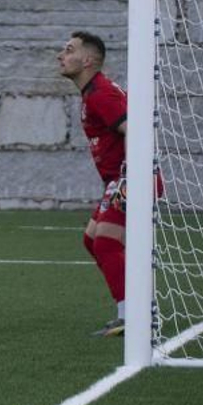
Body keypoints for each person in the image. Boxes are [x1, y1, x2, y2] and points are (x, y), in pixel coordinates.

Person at [57, 31, 132, 338]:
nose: (60, 55)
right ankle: (137, 304)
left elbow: (136, 130)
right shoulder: (92, 92)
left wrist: (130, 179)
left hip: (132, 179)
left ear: (87, 60)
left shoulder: (101, 93)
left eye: (68, 49)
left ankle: (131, 315)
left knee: (106, 242)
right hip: (118, 180)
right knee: (93, 241)